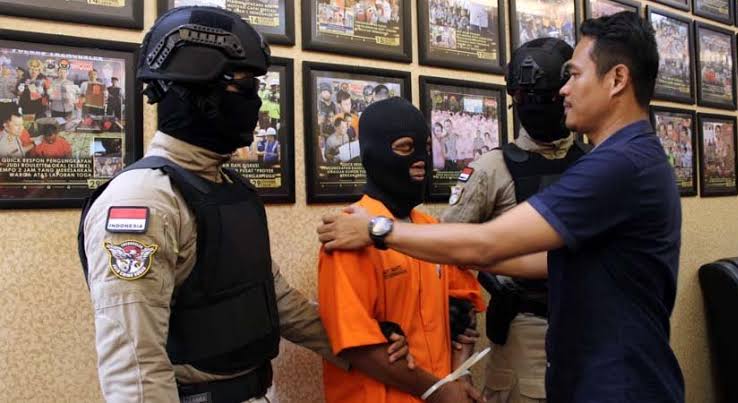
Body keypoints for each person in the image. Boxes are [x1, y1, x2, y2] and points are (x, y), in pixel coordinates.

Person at [317, 11, 686, 403]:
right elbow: (549, 260)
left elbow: (486, 244)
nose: (564, 90)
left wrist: (378, 231)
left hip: (616, 383)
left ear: (617, 79)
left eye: (575, 75)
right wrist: (460, 264)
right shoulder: (631, 159)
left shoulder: (617, 165)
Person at [77, 7, 410, 402]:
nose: (255, 101)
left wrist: (362, 340)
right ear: (197, 91)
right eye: (243, 86)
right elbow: (134, 367)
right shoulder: (144, 202)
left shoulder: (230, 188)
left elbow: (275, 301)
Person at [441, 37, 587, 403]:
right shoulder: (491, 168)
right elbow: (447, 250)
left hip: (590, 327)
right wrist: (459, 353)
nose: (533, 105)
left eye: (543, 96)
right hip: (526, 331)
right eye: (523, 96)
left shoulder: (595, 163)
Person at [318, 97, 485, 403]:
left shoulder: (431, 230)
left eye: (426, 148)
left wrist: (460, 376)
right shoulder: (347, 235)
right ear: (373, 154)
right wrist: (440, 392)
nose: (420, 160)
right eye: (406, 148)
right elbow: (357, 346)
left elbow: (464, 309)